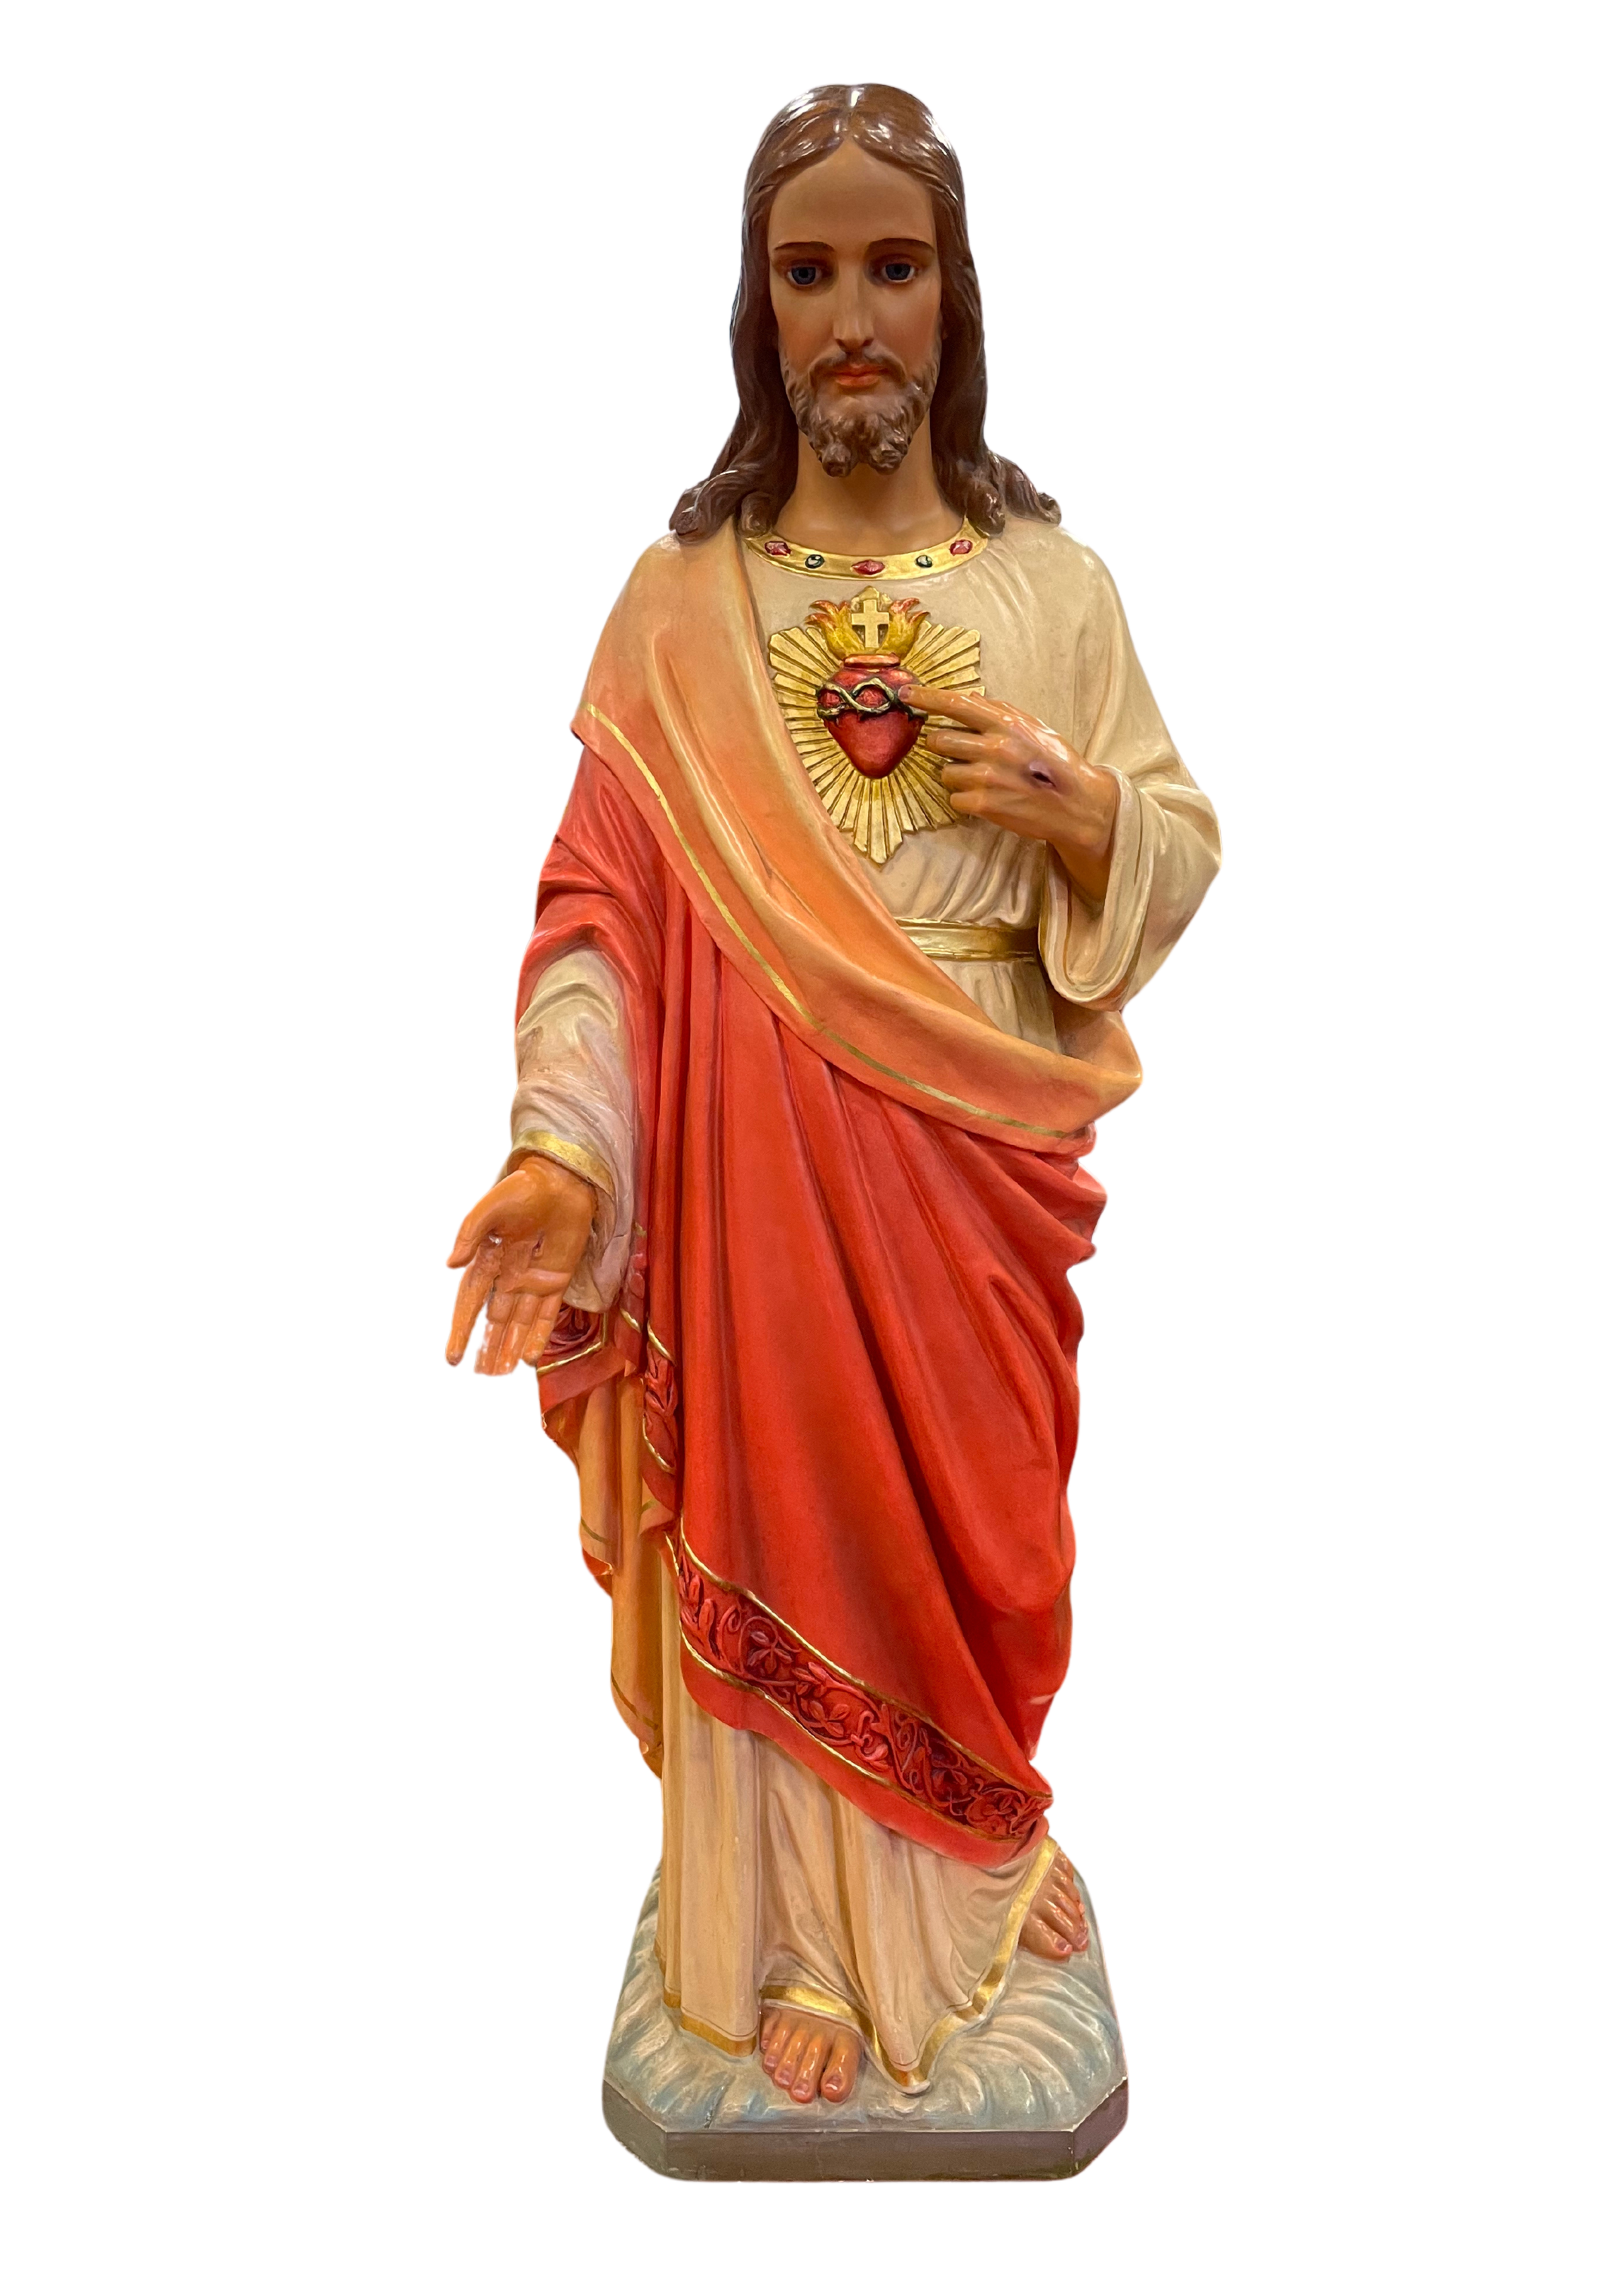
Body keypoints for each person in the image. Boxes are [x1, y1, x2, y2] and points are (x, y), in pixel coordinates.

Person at [443, 83, 1222, 2109]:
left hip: (977, 1150)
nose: (854, 319)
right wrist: (559, 1149)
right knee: (780, 1510)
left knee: (984, 1547)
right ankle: (790, 1940)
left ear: (956, 298)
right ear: (757, 308)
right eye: (810, 273)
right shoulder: (679, 602)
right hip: (751, 1161)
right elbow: (597, 911)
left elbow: (1185, 849)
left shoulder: (1048, 580)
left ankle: (977, 1864)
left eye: (895, 268)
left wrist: (1079, 814)